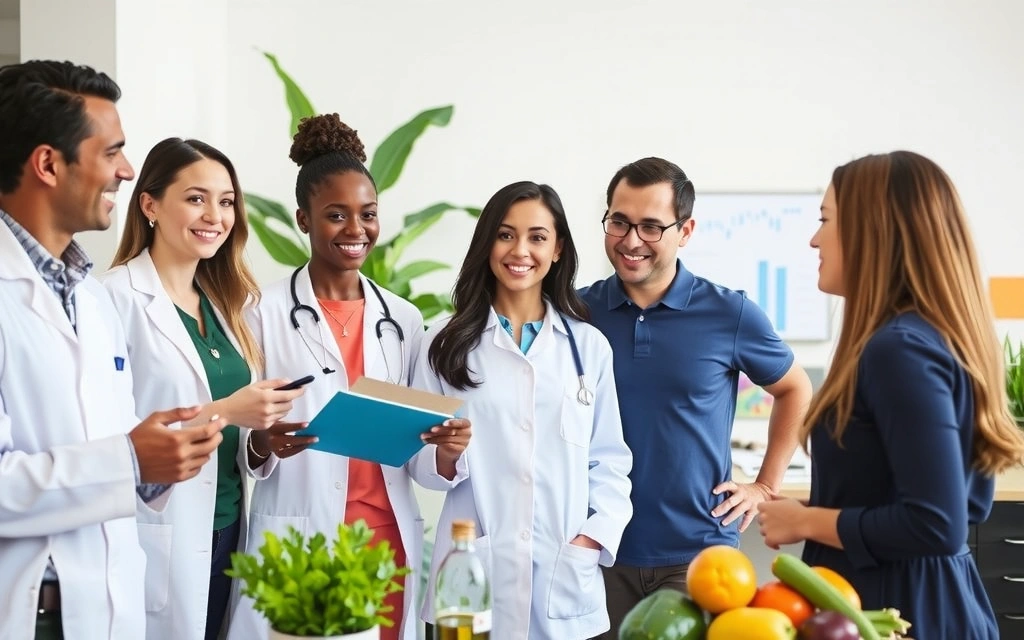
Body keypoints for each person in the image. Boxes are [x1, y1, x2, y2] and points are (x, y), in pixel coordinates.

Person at [0, 60, 227, 638]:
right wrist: (129, 460)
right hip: (34, 611)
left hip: (112, 603)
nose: (127, 171)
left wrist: (160, 460)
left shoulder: (89, 299)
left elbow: (109, 441)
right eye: (112, 153)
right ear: (48, 164)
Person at [757, 150, 1024, 639]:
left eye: (826, 220)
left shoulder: (897, 351)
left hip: (899, 611)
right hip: (914, 601)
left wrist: (804, 521)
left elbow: (938, 524)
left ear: (872, 230)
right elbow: (970, 506)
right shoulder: (927, 339)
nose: (815, 239)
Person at [226, 114, 470, 640]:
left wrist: (443, 447)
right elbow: (239, 428)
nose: (356, 230)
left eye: (368, 214)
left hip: (385, 539)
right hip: (302, 536)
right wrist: (263, 443)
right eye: (336, 214)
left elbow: (419, 452)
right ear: (303, 219)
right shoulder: (260, 311)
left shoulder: (402, 319)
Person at [578, 156, 813, 637]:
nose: (630, 240)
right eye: (619, 222)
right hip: (595, 549)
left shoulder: (730, 313)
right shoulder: (578, 312)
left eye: (651, 226)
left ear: (685, 231)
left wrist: (764, 486)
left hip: (699, 555)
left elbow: (795, 388)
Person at [101, 137, 307, 640]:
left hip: (228, 529)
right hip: (159, 530)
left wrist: (261, 438)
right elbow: (107, 434)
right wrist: (228, 409)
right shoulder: (112, 299)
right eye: (196, 198)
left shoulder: (224, 304)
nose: (214, 215)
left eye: (226, 201)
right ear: (149, 204)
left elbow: (236, 435)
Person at [413, 180, 633, 639]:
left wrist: (591, 540)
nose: (521, 250)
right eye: (506, 234)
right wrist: (447, 454)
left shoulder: (587, 347)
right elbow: (420, 464)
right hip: (473, 566)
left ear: (557, 250)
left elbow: (609, 460)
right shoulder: (442, 342)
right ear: (487, 243)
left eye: (537, 237)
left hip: (564, 570)